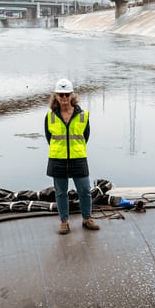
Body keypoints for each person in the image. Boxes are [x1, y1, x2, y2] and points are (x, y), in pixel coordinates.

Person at [44, 78, 98, 234]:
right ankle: (64, 222)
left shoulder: (83, 115)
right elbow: (49, 138)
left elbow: (85, 136)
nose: (64, 98)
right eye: (61, 95)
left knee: (85, 190)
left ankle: (87, 219)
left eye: (67, 94)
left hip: (78, 158)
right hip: (58, 160)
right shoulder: (50, 117)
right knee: (61, 193)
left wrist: (75, 149)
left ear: (72, 95)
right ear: (56, 96)